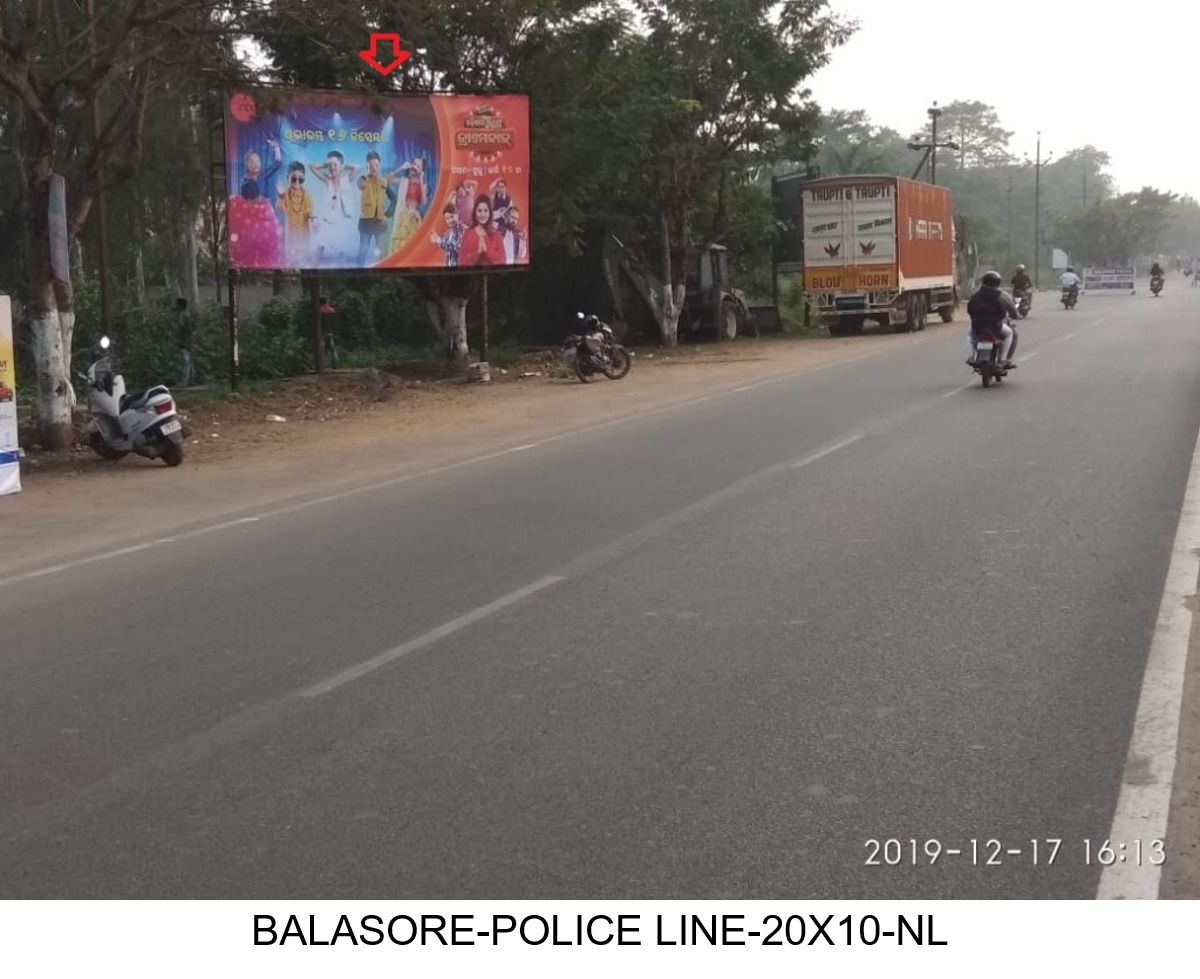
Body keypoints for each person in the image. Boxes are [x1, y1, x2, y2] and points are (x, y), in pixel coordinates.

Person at [966, 271, 1019, 368]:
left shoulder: (976, 296)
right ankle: (1003, 359)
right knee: (1010, 334)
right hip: (995, 326)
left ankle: (972, 355)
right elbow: (1002, 313)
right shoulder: (1001, 296)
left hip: (978, 326)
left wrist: (976, 318)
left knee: (970, 336)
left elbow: (970, 310)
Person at [176, 297, 194, 387]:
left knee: (185, 361)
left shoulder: (183, 315)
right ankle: (190, 379)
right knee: (189, 361)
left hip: (184, 342)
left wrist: (180, 340)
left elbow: (182, 328)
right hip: (188, 341)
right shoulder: (187, 314)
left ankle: (184, 381)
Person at [317, 296, 338, 368]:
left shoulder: (320, 311)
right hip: (330, 331)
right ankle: (335, 363)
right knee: (332, 348)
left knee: (321, 349)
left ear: (320, 303)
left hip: (322, 332)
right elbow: (335, 322)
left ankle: (321, 364)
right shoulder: (332, 310)